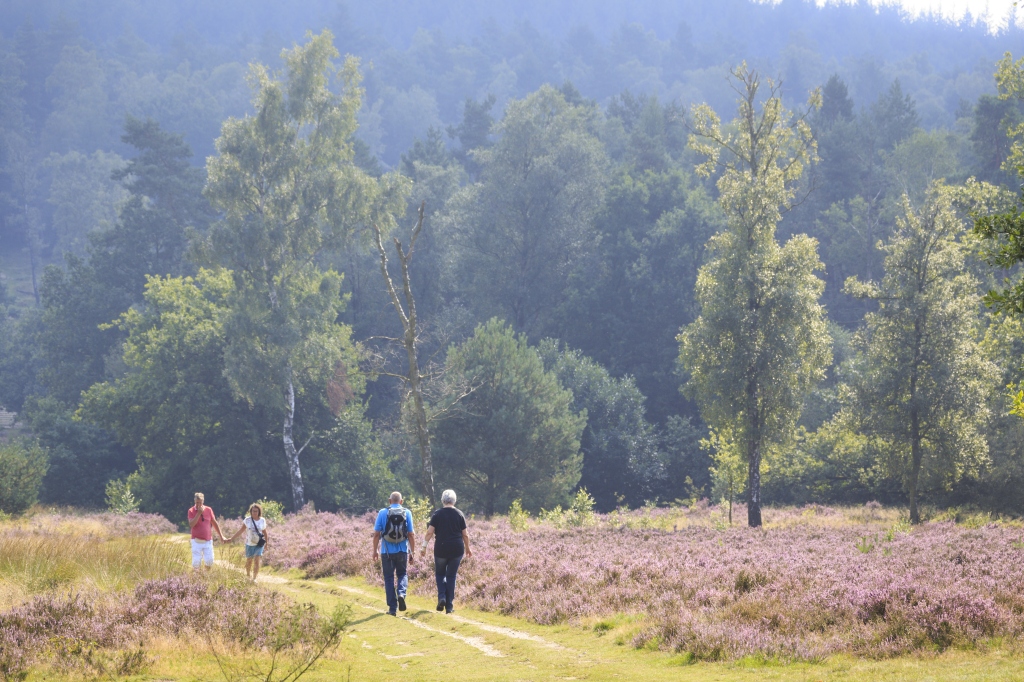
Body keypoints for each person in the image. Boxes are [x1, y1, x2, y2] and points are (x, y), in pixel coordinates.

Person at [420, 489, 471, 614]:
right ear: (454, 500)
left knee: (440, 574)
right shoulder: (459, 514)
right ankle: (449, 606)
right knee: (451, 576)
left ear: (443, 500)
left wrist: (424, 547)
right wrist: (468, 548)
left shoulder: (437, 514)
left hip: (441, 548)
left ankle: (441, 597)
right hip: (457, 548)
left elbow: (429, 532)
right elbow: (465, 535)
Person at [372, 491, 416, 616]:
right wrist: (412, 552)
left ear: (389, 501)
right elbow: (411, 534)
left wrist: (374, 551)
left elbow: (376, 534)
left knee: (389, 578)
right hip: (402, 550)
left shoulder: (382, 512)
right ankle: (401, 593)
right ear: (401, 501)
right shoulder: (407, 512)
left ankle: (392, 608)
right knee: (402, 574)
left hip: (386, 551)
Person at [226, 502, 270, 581]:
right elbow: (240, 531)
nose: (255, 512)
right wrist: (231, 538)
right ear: (251, 511)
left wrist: (266, 543)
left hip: (259, 544)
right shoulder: (247, 520)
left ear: (259, 512)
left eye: (256, 511)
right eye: (253, 511)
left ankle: (254, 578)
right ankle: (248, 575)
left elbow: (265, 532)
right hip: (249, 543)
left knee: (257, 560)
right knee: (249, 561)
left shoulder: (262, 520)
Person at [188, 492, 226, 569]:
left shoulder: (208, 510)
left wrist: (221, 536)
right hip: (196, 540)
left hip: (207, 540)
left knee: (209, 561)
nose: (198, 504)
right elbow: (191, 524)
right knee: (196, 563)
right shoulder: (191, 511)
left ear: (203, 501)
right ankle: (196, 577)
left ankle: (205, 576)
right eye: (197, 502)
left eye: (200, 502)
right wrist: (198, 513)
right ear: (194, 501)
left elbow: (214, 523)